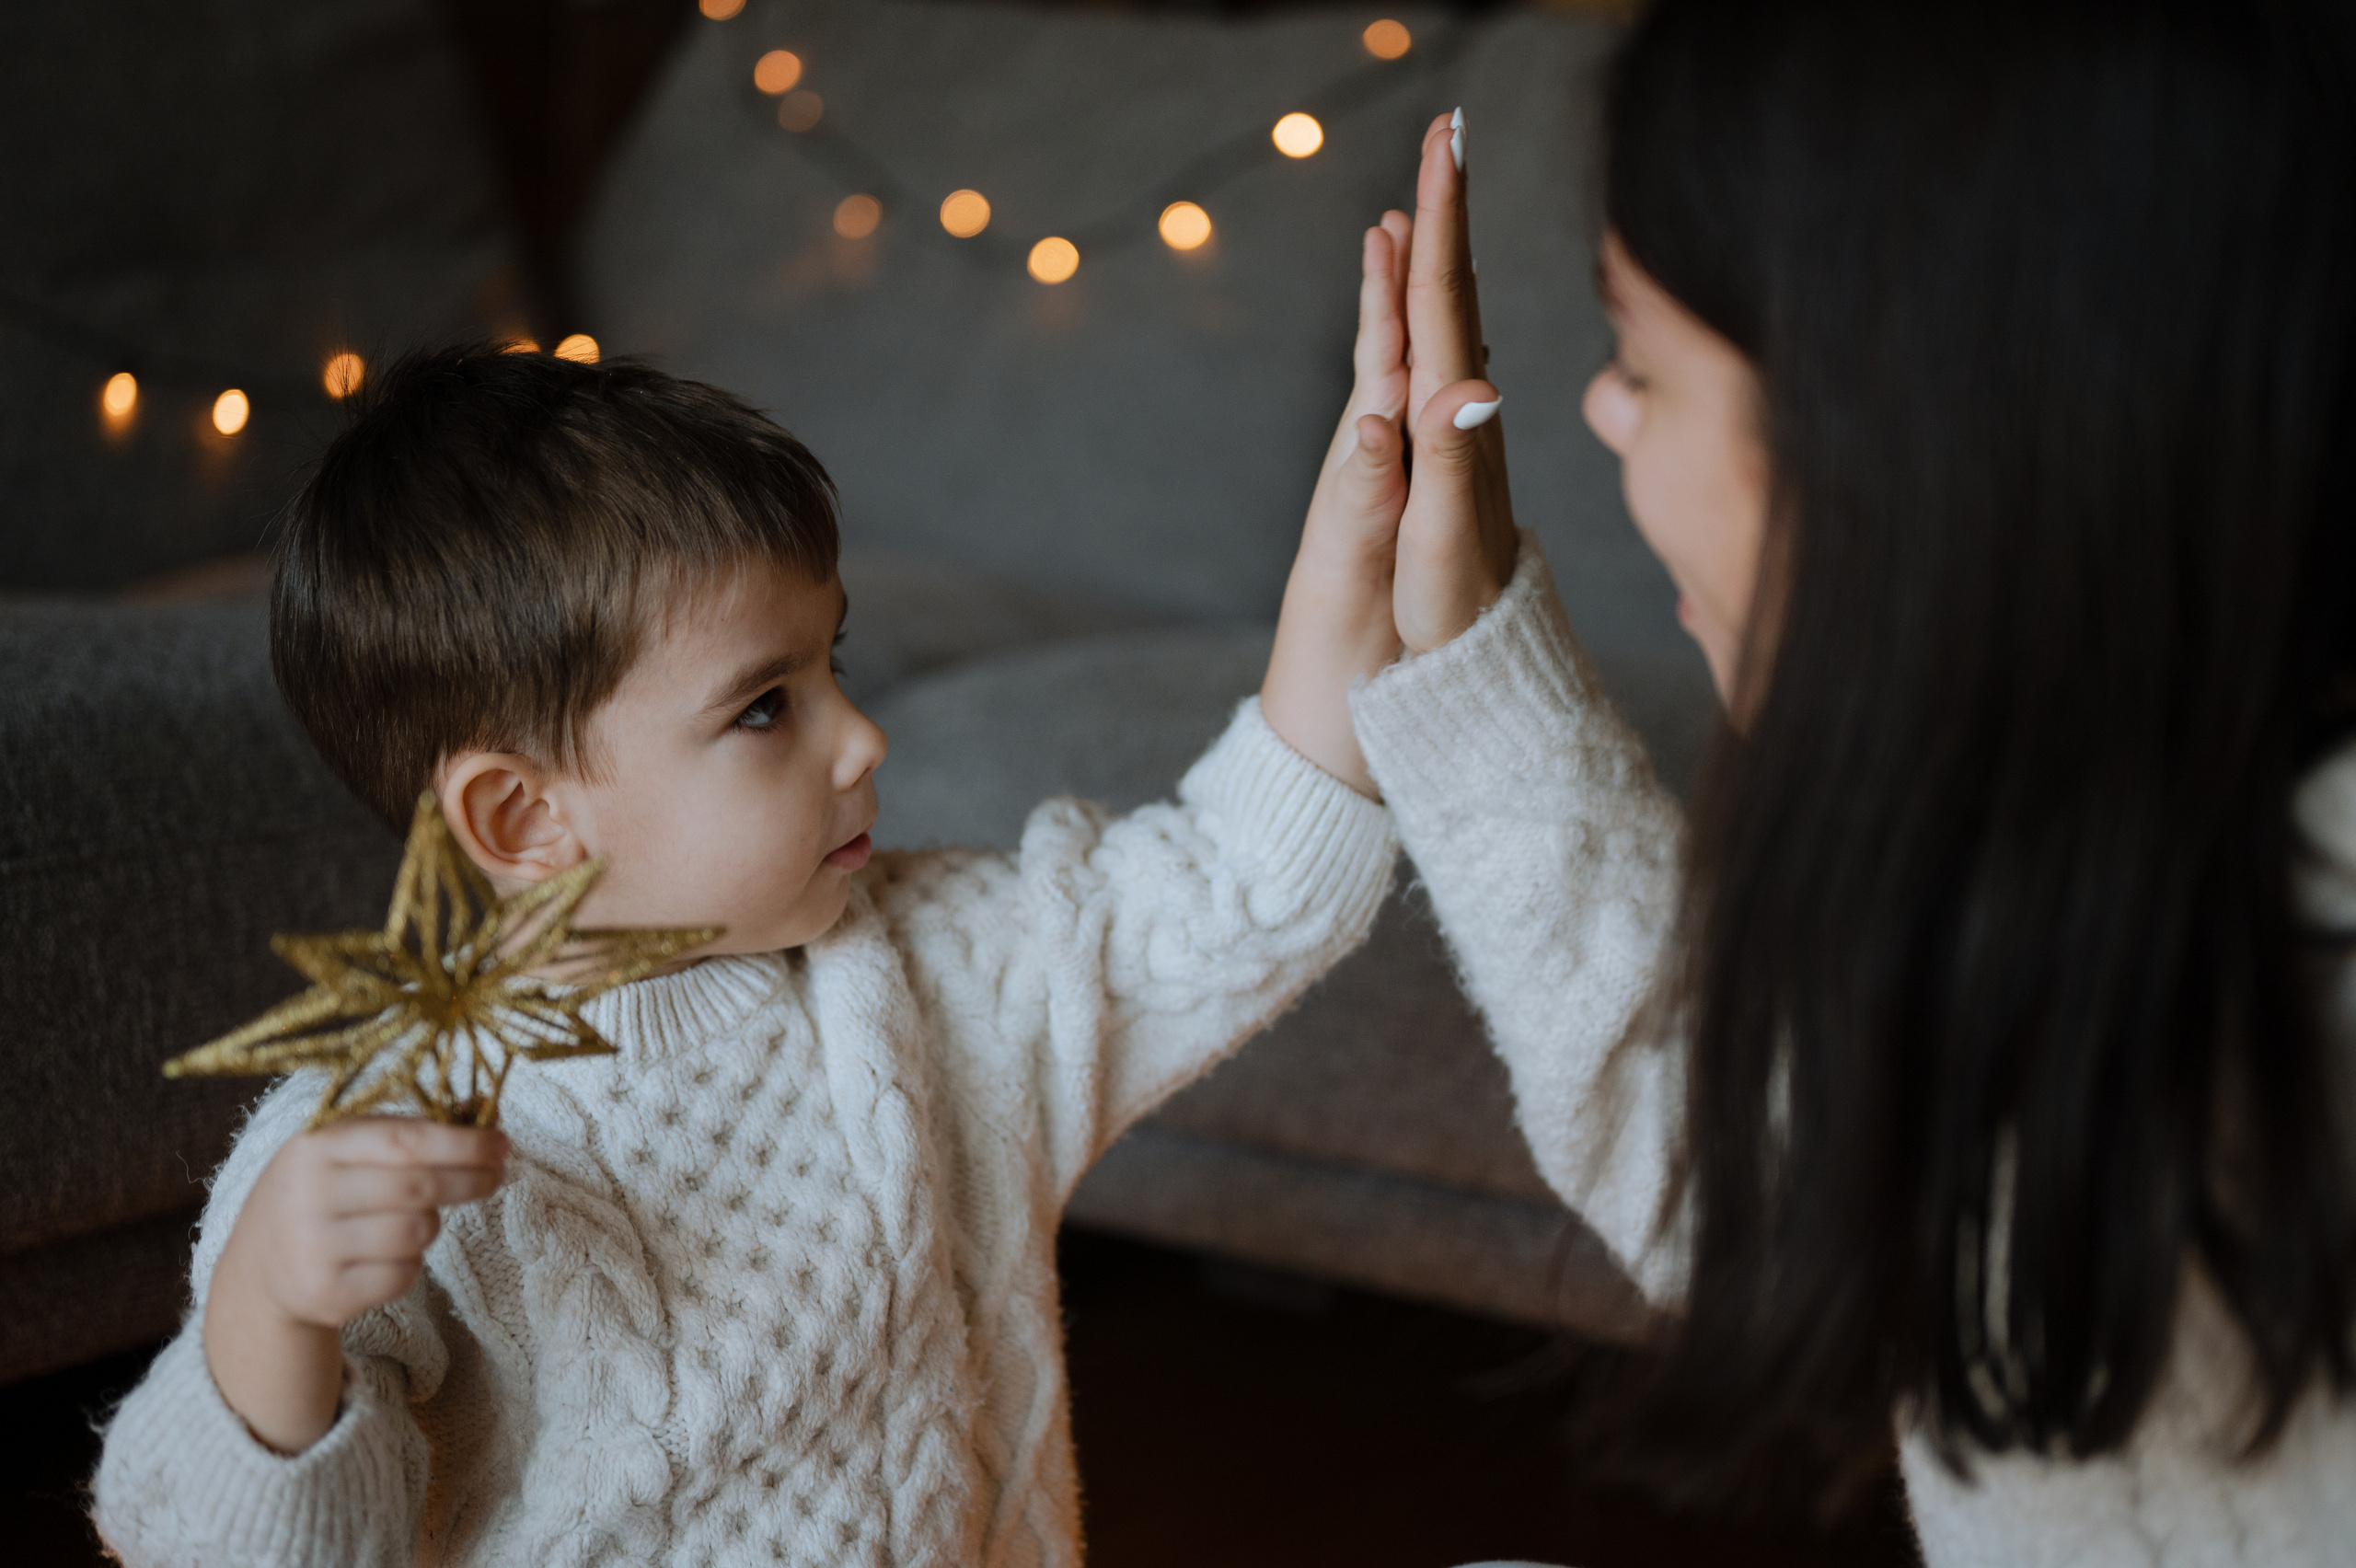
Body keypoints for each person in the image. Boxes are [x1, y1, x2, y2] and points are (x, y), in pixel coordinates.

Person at [1296, 1, 2356, 1561]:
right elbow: (1797, 1208)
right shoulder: (2082, 830)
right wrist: (1463, 642)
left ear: (1896, 445)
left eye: (1642, 367)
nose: (1598, 408)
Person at [90, 344, 1408, 1567]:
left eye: (834, 662)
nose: (863, 739)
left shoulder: (941, 969)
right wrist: (271, 1325)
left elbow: (1240, 888)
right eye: (767, 706)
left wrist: (1350, 565)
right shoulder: (366, 1148)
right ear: (522, 818)